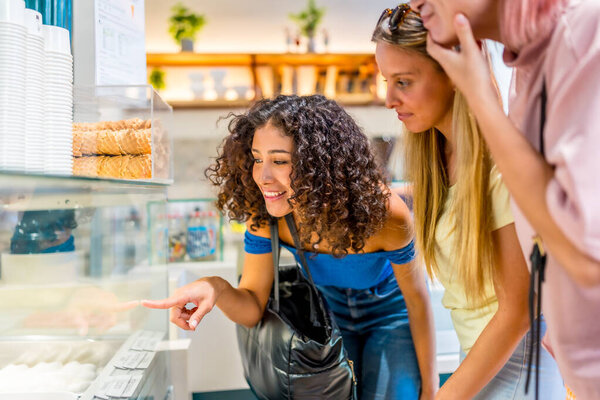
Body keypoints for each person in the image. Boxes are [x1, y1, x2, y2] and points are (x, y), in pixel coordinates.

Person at [142, 94, 438, 399]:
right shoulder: (266, 216)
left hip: (390, 315)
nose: (263, 176)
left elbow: (417, 301)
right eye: (258, 159)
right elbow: (252, 309)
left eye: (280, 161)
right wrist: (215, 287)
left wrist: (431, 389)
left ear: (322, 166)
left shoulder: (385, 214)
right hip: (328, 314)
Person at [408, 0, 600, 397]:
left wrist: (478, 98)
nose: (414, 4)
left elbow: (586, 253)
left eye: (404, 81)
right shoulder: (526, 72)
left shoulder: (581, 40)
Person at [372, 4, 564, 399]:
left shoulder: (499, 165)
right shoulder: (439, 162)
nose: (389, 98)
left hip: (518, 375)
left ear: (455, 73)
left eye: (404, 81)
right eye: (386, 80)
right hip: (478, 365)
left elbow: (515, 313)